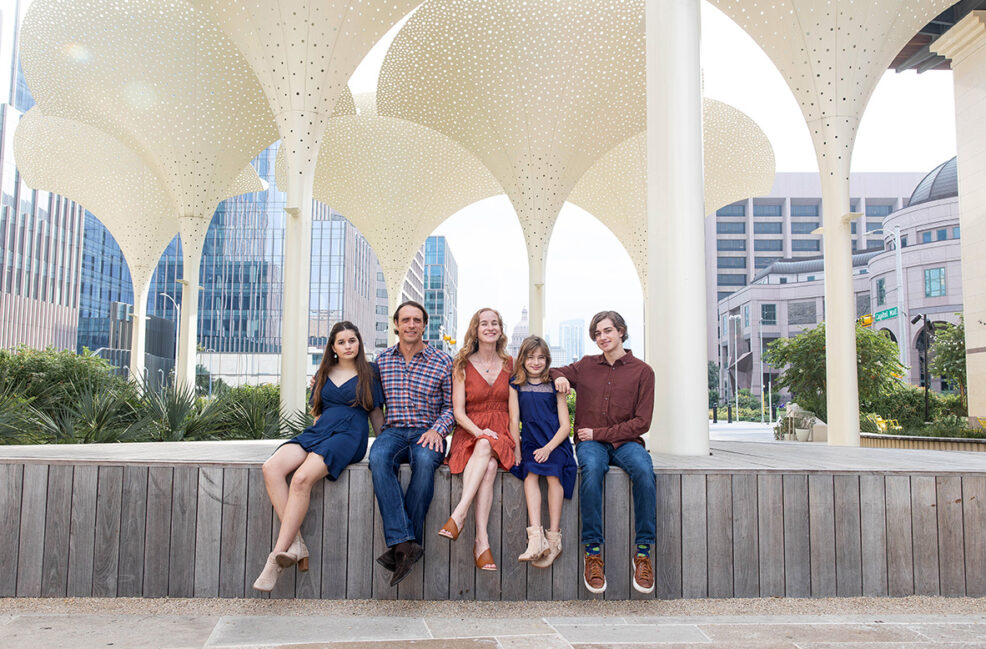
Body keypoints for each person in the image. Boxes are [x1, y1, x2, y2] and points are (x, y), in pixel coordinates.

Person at [253, 321, 384, 592]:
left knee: (301, 479)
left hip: (350, 434)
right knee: (272, 467)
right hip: (321, 430)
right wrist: (311, 441)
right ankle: (296, 543)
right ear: (333, 348)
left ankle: (275, 558)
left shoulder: (370, 372)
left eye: (352, 340)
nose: (348, 346)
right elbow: (318, 412)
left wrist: (387, 446)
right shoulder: (323, 371)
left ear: (359, 343)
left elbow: (375, 415)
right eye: (342, 342)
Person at [551, 310, 656, 595]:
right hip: (590, 445)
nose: (602, 338)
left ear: (621, 331)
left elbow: (642, 422)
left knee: (645, 472)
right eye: (597, 334)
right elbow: (551, 370)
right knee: (592, 472)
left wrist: (600, 433)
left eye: (608, 331)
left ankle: (644, 553)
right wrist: (560, 378)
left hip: (626, 442)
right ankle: (593, 553)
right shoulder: (585, 366)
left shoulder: (643, 372)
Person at [369, 300, 454, 586]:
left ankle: (401, 546)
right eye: (405, 320)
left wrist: (438, 430)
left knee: (427, 461)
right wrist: (380, 432)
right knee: (378, 458)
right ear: (396, 324)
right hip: (393, 431)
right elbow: (373, 403)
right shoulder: (382, 361)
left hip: (426, 430)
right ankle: (407, 544)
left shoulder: (442, 361)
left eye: (417, 320)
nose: (411, 325)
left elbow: (452, 407)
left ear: (424, 325)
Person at [440, 308, 515, 571]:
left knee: (489, 448)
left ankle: (459, 515)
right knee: (489, 463)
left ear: (501, 329)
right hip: (469, 430)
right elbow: (458, 412)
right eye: (484, 323)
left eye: (495, 323)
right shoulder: (461, 364)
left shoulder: (511, 364)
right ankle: (481, 541)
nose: (490, 327)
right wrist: (479, 432)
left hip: (502, 432)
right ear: (475, 329)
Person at [509, 335, 576, 568]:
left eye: (540, 358)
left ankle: (554, 537)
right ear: (522, 359)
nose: (535, 362)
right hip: (529, 442)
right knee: (529, 473)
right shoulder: (515, 384)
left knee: (553, 474)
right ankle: (535, 538)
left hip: (554, 443)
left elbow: (566, 426)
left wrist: (548, 448)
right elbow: (514, 421)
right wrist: (517, 450)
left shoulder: (554, 384)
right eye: (530, 357)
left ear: (547, 360)